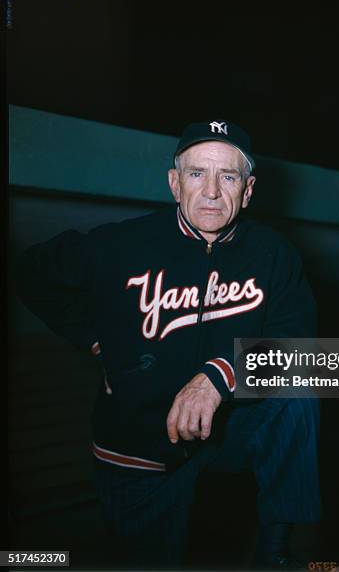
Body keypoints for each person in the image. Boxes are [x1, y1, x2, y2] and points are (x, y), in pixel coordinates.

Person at [15, 120, 322, 570]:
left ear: (249, 189)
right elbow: (31, 271)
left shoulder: (274, 253)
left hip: (226, 436)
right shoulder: (122, 243)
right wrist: (93, 338)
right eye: (197, 174)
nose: (213, 191)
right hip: (138, 448)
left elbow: (302, 345)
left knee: (300, 385)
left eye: (229, 176)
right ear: (174, 183)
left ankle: (276, 553)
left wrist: (221, 376)